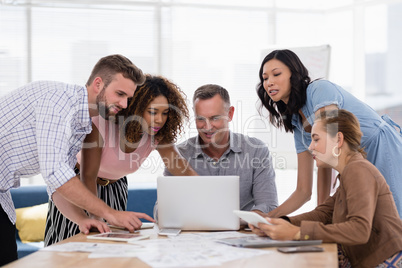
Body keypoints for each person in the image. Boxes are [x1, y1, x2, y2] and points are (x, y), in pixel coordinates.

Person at [0, 54, 150, 265]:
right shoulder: (58, 101)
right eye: (120, 94)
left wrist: (82, 219)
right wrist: (110, 213)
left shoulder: (80, 124)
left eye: (128, 98)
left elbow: (57, 183)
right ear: (98, 84)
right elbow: (55, 171)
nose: (125, 104)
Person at [44, 74, 198, 246]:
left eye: (165, 113)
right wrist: (97, 216)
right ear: (136, 108)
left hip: (115, 187)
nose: (160, 120)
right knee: (71, 248)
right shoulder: (99, 124)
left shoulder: (158, 134)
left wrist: (209, 196)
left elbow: (183, 170)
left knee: (111, 251)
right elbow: (88, 175)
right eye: (153, 112)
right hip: (78, 184)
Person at [256, 49, 402, 217]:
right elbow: (304, 190)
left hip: (383, 148)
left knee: (392, 220)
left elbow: (329, 142)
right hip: (358, 161)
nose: (269, 83)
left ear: (294, 75)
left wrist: (321, 217)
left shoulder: (320, 90)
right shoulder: (297, 125)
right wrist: (269, 217)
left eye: (276, 74)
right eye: (265, 78)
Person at [250, 109, 402, 268]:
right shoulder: (349, 173)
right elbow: (323, 214)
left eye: (316, 139)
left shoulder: (358, 170)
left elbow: (359, 229)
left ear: (338, 139)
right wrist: (277, 223)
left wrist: (297, 232)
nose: (310, 147)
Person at [164, 84, 278, 214]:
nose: (207, 127)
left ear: (230, 114)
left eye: (214, 118)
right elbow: (162, 210)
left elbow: (268, 205)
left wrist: (239, 221)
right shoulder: (179, 155)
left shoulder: (256, 151)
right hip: (194, 232)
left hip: (243, 231)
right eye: (200, 119)